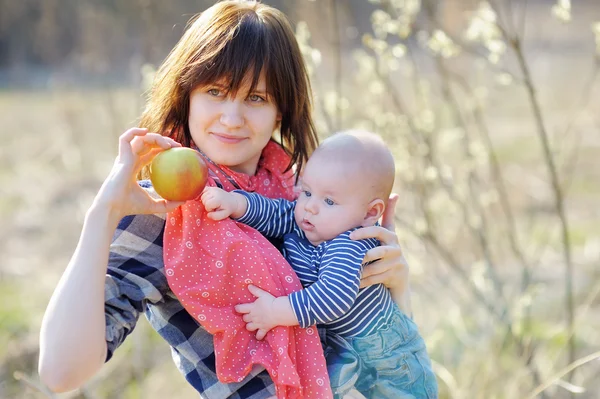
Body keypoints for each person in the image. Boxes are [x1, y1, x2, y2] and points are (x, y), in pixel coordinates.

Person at [38, 1, 413, 398]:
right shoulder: (169, 211)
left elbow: (375, 347)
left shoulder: (305, 196)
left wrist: (397, 288)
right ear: (186, 95)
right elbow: (61, 372)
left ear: (281, 110)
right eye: (215, 92)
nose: (232, 118)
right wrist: (102, 214)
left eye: (256, 98)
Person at [199, 131, 438, 398]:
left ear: (370, 213)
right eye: (307, 191)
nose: (310, 207)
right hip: (347, 349)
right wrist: (235, 203)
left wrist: (276, 311)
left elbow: (333, 297)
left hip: (389, 357)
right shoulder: (310, 221)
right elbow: (275, 212)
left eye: (329, 201)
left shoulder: (351, 242)